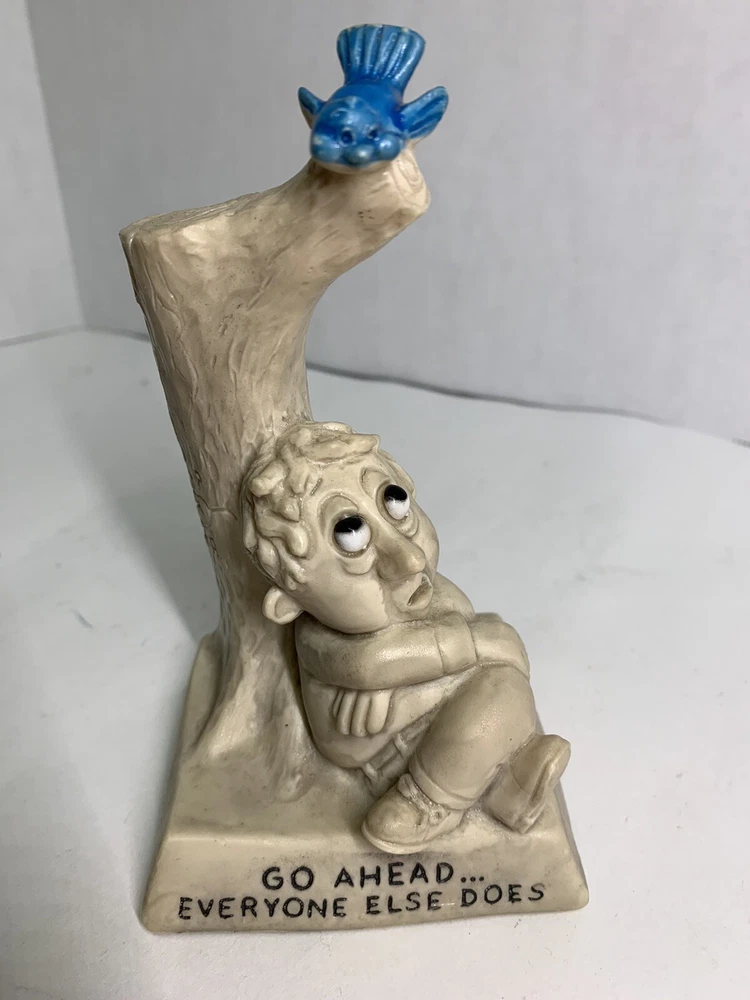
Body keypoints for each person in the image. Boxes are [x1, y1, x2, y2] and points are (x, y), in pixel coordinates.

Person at [242, 422, 570, 855]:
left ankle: (506, 788)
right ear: (290, 603)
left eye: (394, 503)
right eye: (350, 535)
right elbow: (371, 662)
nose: (410, 557)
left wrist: (412, 671)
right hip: (376, 749)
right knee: (499, 695)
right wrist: (480, 642)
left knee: (498, 702)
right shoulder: (318, 638)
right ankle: (425, 802)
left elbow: (447, 621)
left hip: (428, 717)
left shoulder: (425, 589)